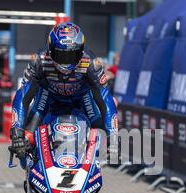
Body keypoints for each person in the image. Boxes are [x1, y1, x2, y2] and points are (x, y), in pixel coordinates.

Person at [10, 22, 118, 158]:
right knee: (26, 138)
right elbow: (23, 95)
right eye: (61, 55)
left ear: (81, 50)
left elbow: (105, 98)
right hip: (48, 96)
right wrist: (17, 133)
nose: (66, 62)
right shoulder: (39, 60)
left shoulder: (91, 62)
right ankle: (33, 166)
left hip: (81, 98)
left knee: (101, 133)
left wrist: (113, 136)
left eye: (72, 55)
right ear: (50, 50)